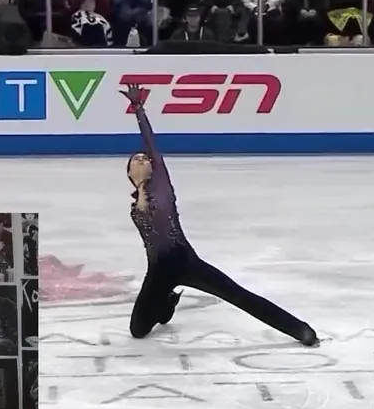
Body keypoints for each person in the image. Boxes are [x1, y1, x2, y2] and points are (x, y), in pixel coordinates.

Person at [121, 84, 318, 346]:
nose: (143, 159)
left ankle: (301, 329)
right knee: (138, 330)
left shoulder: (162, 184)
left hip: (186, 260)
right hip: (158, 270)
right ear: (129, 172)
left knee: (239, 295)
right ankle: (166, 304)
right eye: (137, 159)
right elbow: (147, 220)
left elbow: (150, 142)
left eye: (145, 158)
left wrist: (138, 108)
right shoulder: (135, 207)